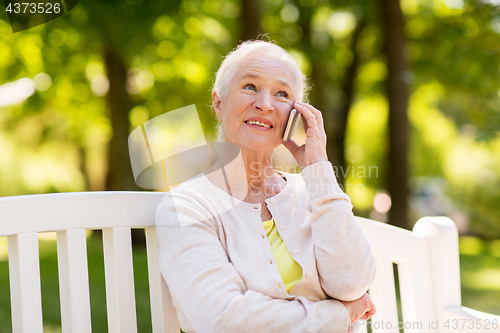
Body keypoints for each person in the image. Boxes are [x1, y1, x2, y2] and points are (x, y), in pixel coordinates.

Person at [156, 40, 377, 333]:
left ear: (295, 115)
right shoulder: (186, 206)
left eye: (282, 94)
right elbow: (222, 320)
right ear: (219, 103)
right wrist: (339, 315)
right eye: (250, 86)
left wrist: (318, 169)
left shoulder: (313, 191)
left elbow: (352, 284)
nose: (265, 104)